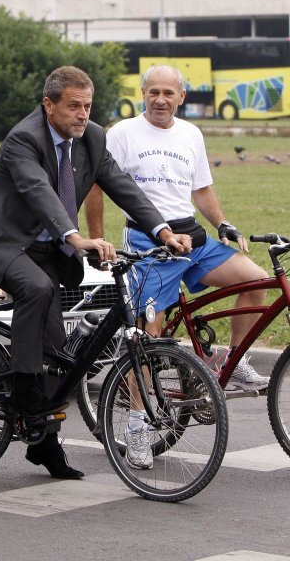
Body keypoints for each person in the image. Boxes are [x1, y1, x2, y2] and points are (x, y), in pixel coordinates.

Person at [0, 66, 191, 480]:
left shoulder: (93, 138)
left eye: (87, 106)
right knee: (36, 287)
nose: (82, 115)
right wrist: (75, 235)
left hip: (48, 248)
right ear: (49, 105)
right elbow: (38, 192)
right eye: (73, 106)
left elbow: (123, 186)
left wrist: (163, 230)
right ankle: (24, 386)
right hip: (3, 241)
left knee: (58, 355)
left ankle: (43, 444)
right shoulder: (23, 139)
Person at [86, 64, 269, 470]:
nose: (161, 100)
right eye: (154, 92)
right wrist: (99, 240)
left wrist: (221, 222)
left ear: (181, 97)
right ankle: (137, 428)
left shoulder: (191, 133)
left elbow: (201, 188)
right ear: (143, 94)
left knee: (257, 282)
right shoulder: (121, 133)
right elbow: (96, 187)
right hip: (149, 247)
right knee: (146, 341)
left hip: (194, 242)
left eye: (169, 93)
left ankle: (230, 361)